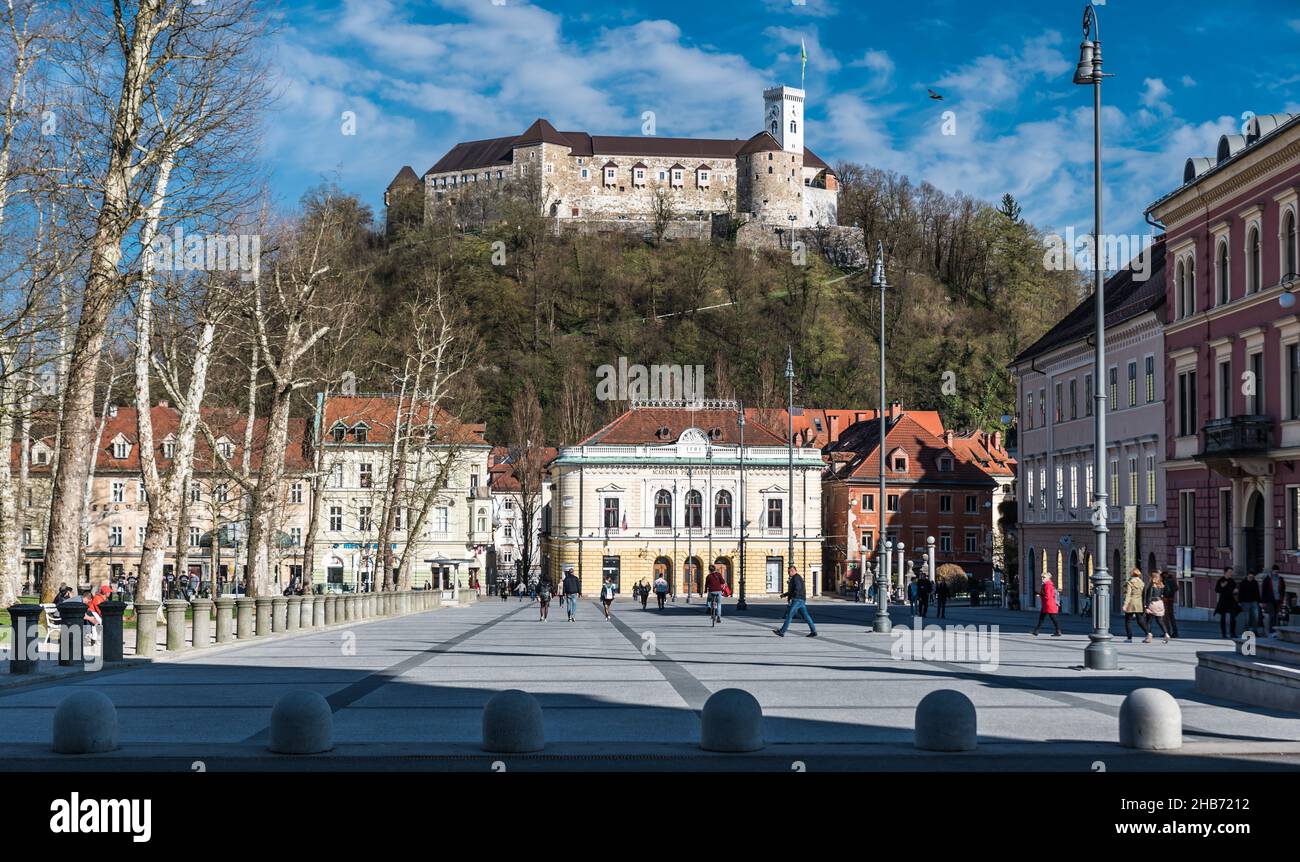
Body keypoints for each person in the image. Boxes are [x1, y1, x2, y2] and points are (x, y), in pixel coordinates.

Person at [774, 564, 817, 638]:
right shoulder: (796, 577)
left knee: (789, 615)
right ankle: (813, 631)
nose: (790, 573)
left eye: (791, 571)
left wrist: (793, 598)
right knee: (806, 616)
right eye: (789, 571)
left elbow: (797, 588)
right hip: (801, 600)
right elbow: (793, 590)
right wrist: (784, 595)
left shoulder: (796, 578)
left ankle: (782, 632)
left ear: (794, 571)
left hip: (797, 600)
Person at [1122, 568, 1150, 643]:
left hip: (1131, 603)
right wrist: (1144, 605)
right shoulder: (1142, 583)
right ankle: (1148, 633)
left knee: (1128, 621)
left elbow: (1128, 595)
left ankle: (1129, 638)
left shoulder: (1130, 582)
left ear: (1132, 574)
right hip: (1139, 603)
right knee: (1140, 621)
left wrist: (1125, 605)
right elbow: (1144, 595)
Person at [1142, 571, 1170, 644]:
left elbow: (1148, 596)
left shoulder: (1151, 586)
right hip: (1160, 603)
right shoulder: (1161, 585)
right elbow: (1165, 593)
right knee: (1160, 621)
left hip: (1152, 603)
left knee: (1149, 621)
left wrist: (1146, 606)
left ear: (1152, 577)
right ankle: (1166, 633)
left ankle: (1149, 636)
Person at [1031, 572, 1062, 637]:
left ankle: (1058, 631)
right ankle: (1036, 631)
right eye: (1042, 577)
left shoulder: (1048, 585)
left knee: (1053, 618)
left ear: (1048, 578)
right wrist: (1040, 594)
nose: (1042, 578)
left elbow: (1048, 596)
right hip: (1047, 605)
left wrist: (1039, 595)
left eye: (1044, 577)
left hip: (1049, 605)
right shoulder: (1046, 584)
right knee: (1042, 618)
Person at [1214, 567, 1240, 640]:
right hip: (1223, 601)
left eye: (1231, 572)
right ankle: (1224, 634)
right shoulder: (1221, 580)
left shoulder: (1232, 581)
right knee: (1223, 618)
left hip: (1231, 600)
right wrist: (1222, 586)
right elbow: (1216, 590)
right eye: (1230, 572)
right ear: (1225, 572)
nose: (1231, 573)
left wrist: (1236, 591)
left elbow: (1235, 590)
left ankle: (1232, 633)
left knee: (1233, 617)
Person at [1262, 565, 1287, 637]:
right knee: (1272, 616)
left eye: (1277, 572)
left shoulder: (1281, 579)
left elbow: (1283, 589)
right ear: (1272, 571)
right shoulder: (1267, 579)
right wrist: (1263, 602)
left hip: (1278, 600)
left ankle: (1276, 631)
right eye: (1275, 571)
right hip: (1270, 600)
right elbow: (1264, 591)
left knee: (1277, 616)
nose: (1276, 573)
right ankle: (1271, 631)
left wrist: (1282, 599)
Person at [1238, 570, 1262, 636]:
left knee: (1256, 617)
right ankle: (1247, 631)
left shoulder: (1255, 582)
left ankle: (1255, 631)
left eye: (1252, 576)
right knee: (1247, 618)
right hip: (1245, 602)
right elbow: (1240, 593)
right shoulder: (1243, 583)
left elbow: (1257, 592)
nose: (1251, 578)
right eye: (1250, 576)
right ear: (1247, 576)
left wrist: (1259, 602)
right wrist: (1240, 602)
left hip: (1254, 602)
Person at [1160, 568, 1180, 639]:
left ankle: (1167, 632)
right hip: (1171, 600)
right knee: (1171, 617)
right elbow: (1177, 588)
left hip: (1165, 600)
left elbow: (1163, 590)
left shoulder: (1165, 581)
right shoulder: (1173, 580)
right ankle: (1175, 632)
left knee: (1165, 617)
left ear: (1165, 575)